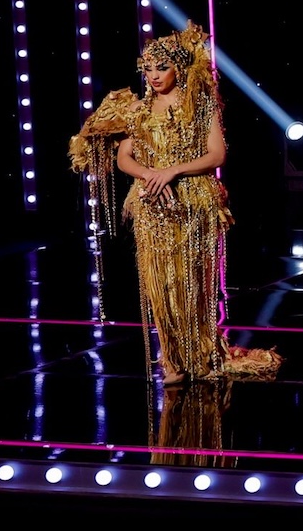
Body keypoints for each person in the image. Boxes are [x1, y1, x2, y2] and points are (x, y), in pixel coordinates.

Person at [69, 23, 279, 386]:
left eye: (161, 68)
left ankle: (203, 356)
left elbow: (216, 154)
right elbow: (124, 158)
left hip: (193, 200)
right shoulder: (138, 109)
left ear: (178, 69)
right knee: (160, 285)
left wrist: (172, 170)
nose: (153, 76)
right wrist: (150, 174)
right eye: (147, 69)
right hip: (152, 203)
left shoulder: (200, 104)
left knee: (193, 283)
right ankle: (172, 362)